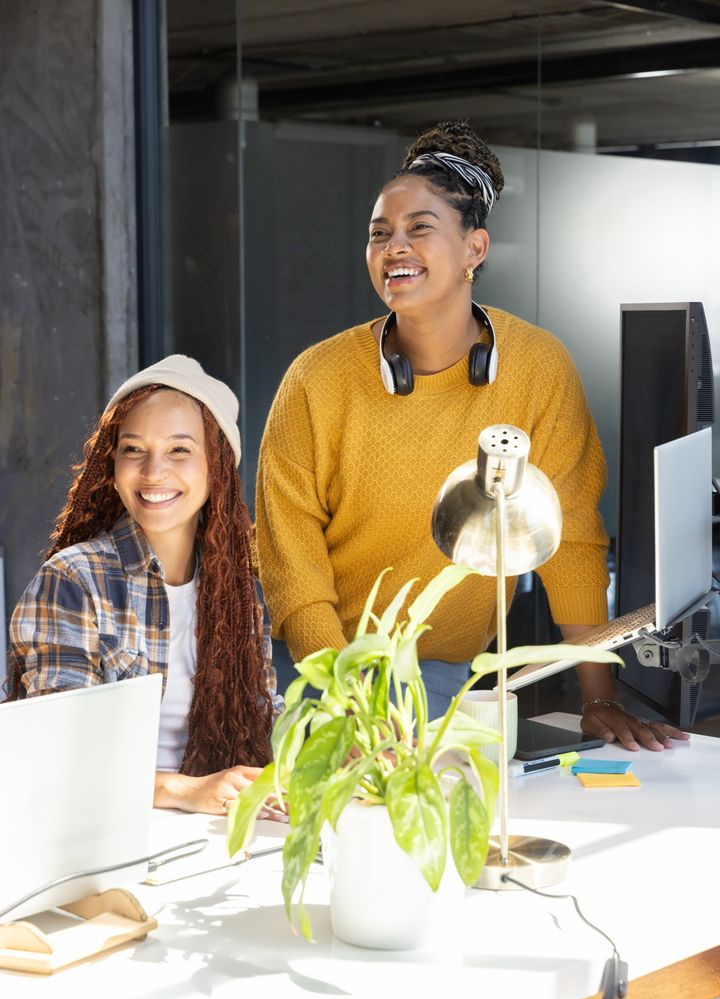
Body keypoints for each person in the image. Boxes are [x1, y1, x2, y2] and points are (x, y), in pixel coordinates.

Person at [255, 119, 687, 753]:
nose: (393, 247)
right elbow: (293, 572)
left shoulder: (538, 368)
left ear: (475, 250)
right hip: (314, 672)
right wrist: (351, 704)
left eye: (419, 229)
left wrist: (597, 698)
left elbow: (572, 543)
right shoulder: (317, 379)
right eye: (379, 234)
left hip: (446, 679)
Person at [7, 355, 284, 813]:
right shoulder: (75, 580)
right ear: (112, 469)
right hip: (99, 829)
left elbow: (262, 728)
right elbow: (60, 754)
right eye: (133, 449)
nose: (154, 472)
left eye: (179, 450)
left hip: (211, 829)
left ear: (217, 470)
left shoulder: (241, 595)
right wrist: (185, 791)